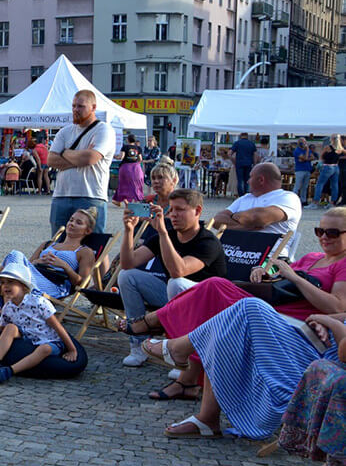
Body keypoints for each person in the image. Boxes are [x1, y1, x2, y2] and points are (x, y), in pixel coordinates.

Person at [134, 207, 346, 397]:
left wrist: (295, 277)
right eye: (320, 231)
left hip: (292, 323)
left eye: (332, 232)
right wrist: (264, 270)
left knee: (215, 286)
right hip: (272, 307)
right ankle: (186, 380)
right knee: (212, 300)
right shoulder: (313, 257)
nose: (324, 237)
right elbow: (280, 274)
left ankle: (152, 324)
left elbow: (337, 306)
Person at [152, 299, 342, 439]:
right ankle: (207, 418)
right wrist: (322, 320)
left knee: (248, 307)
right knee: (231, 319)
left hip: (321, 373)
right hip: (312, 346)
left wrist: (332, 324)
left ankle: (176, 349)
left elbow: (344, 351)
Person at [116, 188, 226, 366]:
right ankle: (138, 345)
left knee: (176, 282)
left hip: (207, 306)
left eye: (180, 210)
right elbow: (128, 264)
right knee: (127, 276)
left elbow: (178, 271)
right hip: (174, 299)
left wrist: (162, 233)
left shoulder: (208, 242)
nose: (173, 215)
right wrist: (128, 230)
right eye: (171, 210)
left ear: (197, 211)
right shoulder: (167, 235)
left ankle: (179, 354)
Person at [0, 261, 79, 384]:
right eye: (3, 282)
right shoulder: (8, 307)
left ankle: (9, 371)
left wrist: (72, 350)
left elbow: (57, 326)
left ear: (23, 286)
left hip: (49, 341)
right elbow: (1, 331)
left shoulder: (38, 302)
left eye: (10, 282)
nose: (5, 286)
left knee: (44, 349)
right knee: (10, 328)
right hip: (27, 337)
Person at [0, 207, 98, 300]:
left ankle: (5, 311)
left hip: (54, 284)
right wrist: (37, 262)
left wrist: (65, 266)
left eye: (78, 223)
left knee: (3, 273)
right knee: (14, 255)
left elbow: (83, 284)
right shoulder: (48, 244)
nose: (72, 224)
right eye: (71, 220)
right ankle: (8, 309)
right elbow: (24, 266)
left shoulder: (84, 251)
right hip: (33, 276)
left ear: (87, 231)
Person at [48, 90, 116, 234]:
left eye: (80, 106)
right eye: (73, 106)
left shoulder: (104, 130)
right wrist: (80, 158)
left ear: (93, 107)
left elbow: (90, 158)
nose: (75, 110)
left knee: (91, 247)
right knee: (58, 243)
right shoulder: (64, 132)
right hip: (61, 195)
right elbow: (51, 160)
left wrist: (64, 152)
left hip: (91, 196)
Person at [210, 162, 301, 256]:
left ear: (261, 180)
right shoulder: (245, 198)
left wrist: (233, 217)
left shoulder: (288, 197)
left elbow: (257, 218)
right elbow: (216, 221)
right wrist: (246, 227)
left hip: (268, 257)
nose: (247, 181)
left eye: (250, 177)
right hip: (233, 253)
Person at [114, 133, 145, 204]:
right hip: (136, 168)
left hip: (126, 167)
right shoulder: (138, 148)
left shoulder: (125, 147)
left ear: (128, 140)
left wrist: (114, 156)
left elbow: (121, 157)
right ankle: (136, 199)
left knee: (123, 184)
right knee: (135, 184)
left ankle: (123, 200)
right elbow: (140, 159)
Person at [315, 135, 343, 207]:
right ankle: (333, 202)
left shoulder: (328, 147)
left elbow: (321, 156)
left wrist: (320, 164)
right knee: (334, 185)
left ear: (332, 139)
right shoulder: (340, 149)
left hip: (328, 166)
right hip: (336, 167)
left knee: (319, 184)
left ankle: (315, 202)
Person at [231, 131, 257, 196]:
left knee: (240, 180)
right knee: (247, 180)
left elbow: (229, 153)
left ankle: (241, 195)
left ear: (240, 135)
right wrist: (254, 163)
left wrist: (234, 161)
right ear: (247, 136)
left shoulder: (237, 143)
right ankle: (247, 194)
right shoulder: (251, 144)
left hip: (239, 163)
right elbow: (255, 155)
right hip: (248, 163)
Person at [292, 137, 315, 203]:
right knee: (297, 186)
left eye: (305, 142)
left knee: (305, 187)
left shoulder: (307, 150)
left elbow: (313, 157)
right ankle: (293, 201)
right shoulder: (297, 150)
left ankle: (303, 200)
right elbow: (304, 158)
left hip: (307, 169)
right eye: (302, 142)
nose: (304, 143)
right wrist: (307, 152)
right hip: (300, 170)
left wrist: (306, 158)